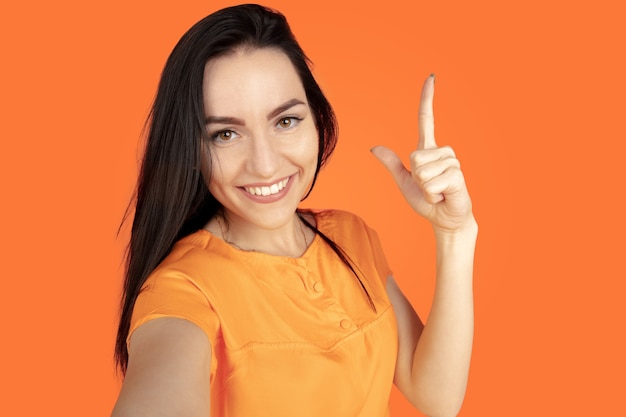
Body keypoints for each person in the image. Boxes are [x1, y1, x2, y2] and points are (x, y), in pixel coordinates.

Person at [111, 4, 477, 417]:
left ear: (316, 120)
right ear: (193, 150)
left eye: (285, 121)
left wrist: (455, 235)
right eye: (226, 134)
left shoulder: (350, 236)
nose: (265, 164)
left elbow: (437, 396)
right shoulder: (183, 288)